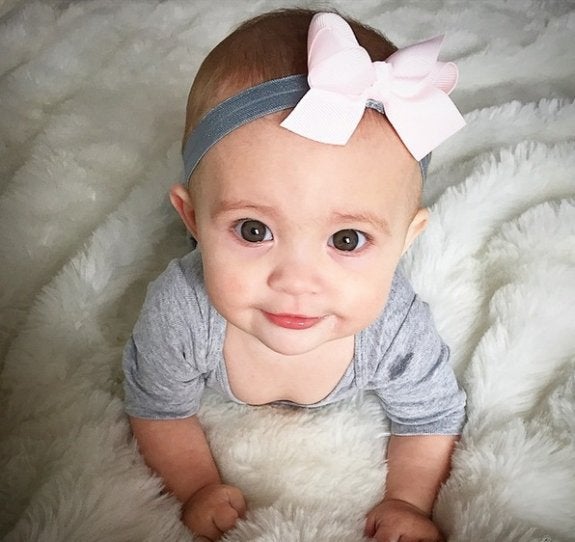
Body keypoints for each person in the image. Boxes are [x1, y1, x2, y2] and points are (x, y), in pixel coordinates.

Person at [122, 8, 467, 542]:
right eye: (254, 230)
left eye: (346, 240)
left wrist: (407, 501)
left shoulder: (396, 326)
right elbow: (157, 409)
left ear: (406, 238)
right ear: (190, 218)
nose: (297, 282)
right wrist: (196, 487)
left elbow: (431, 417)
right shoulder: (181, 311)